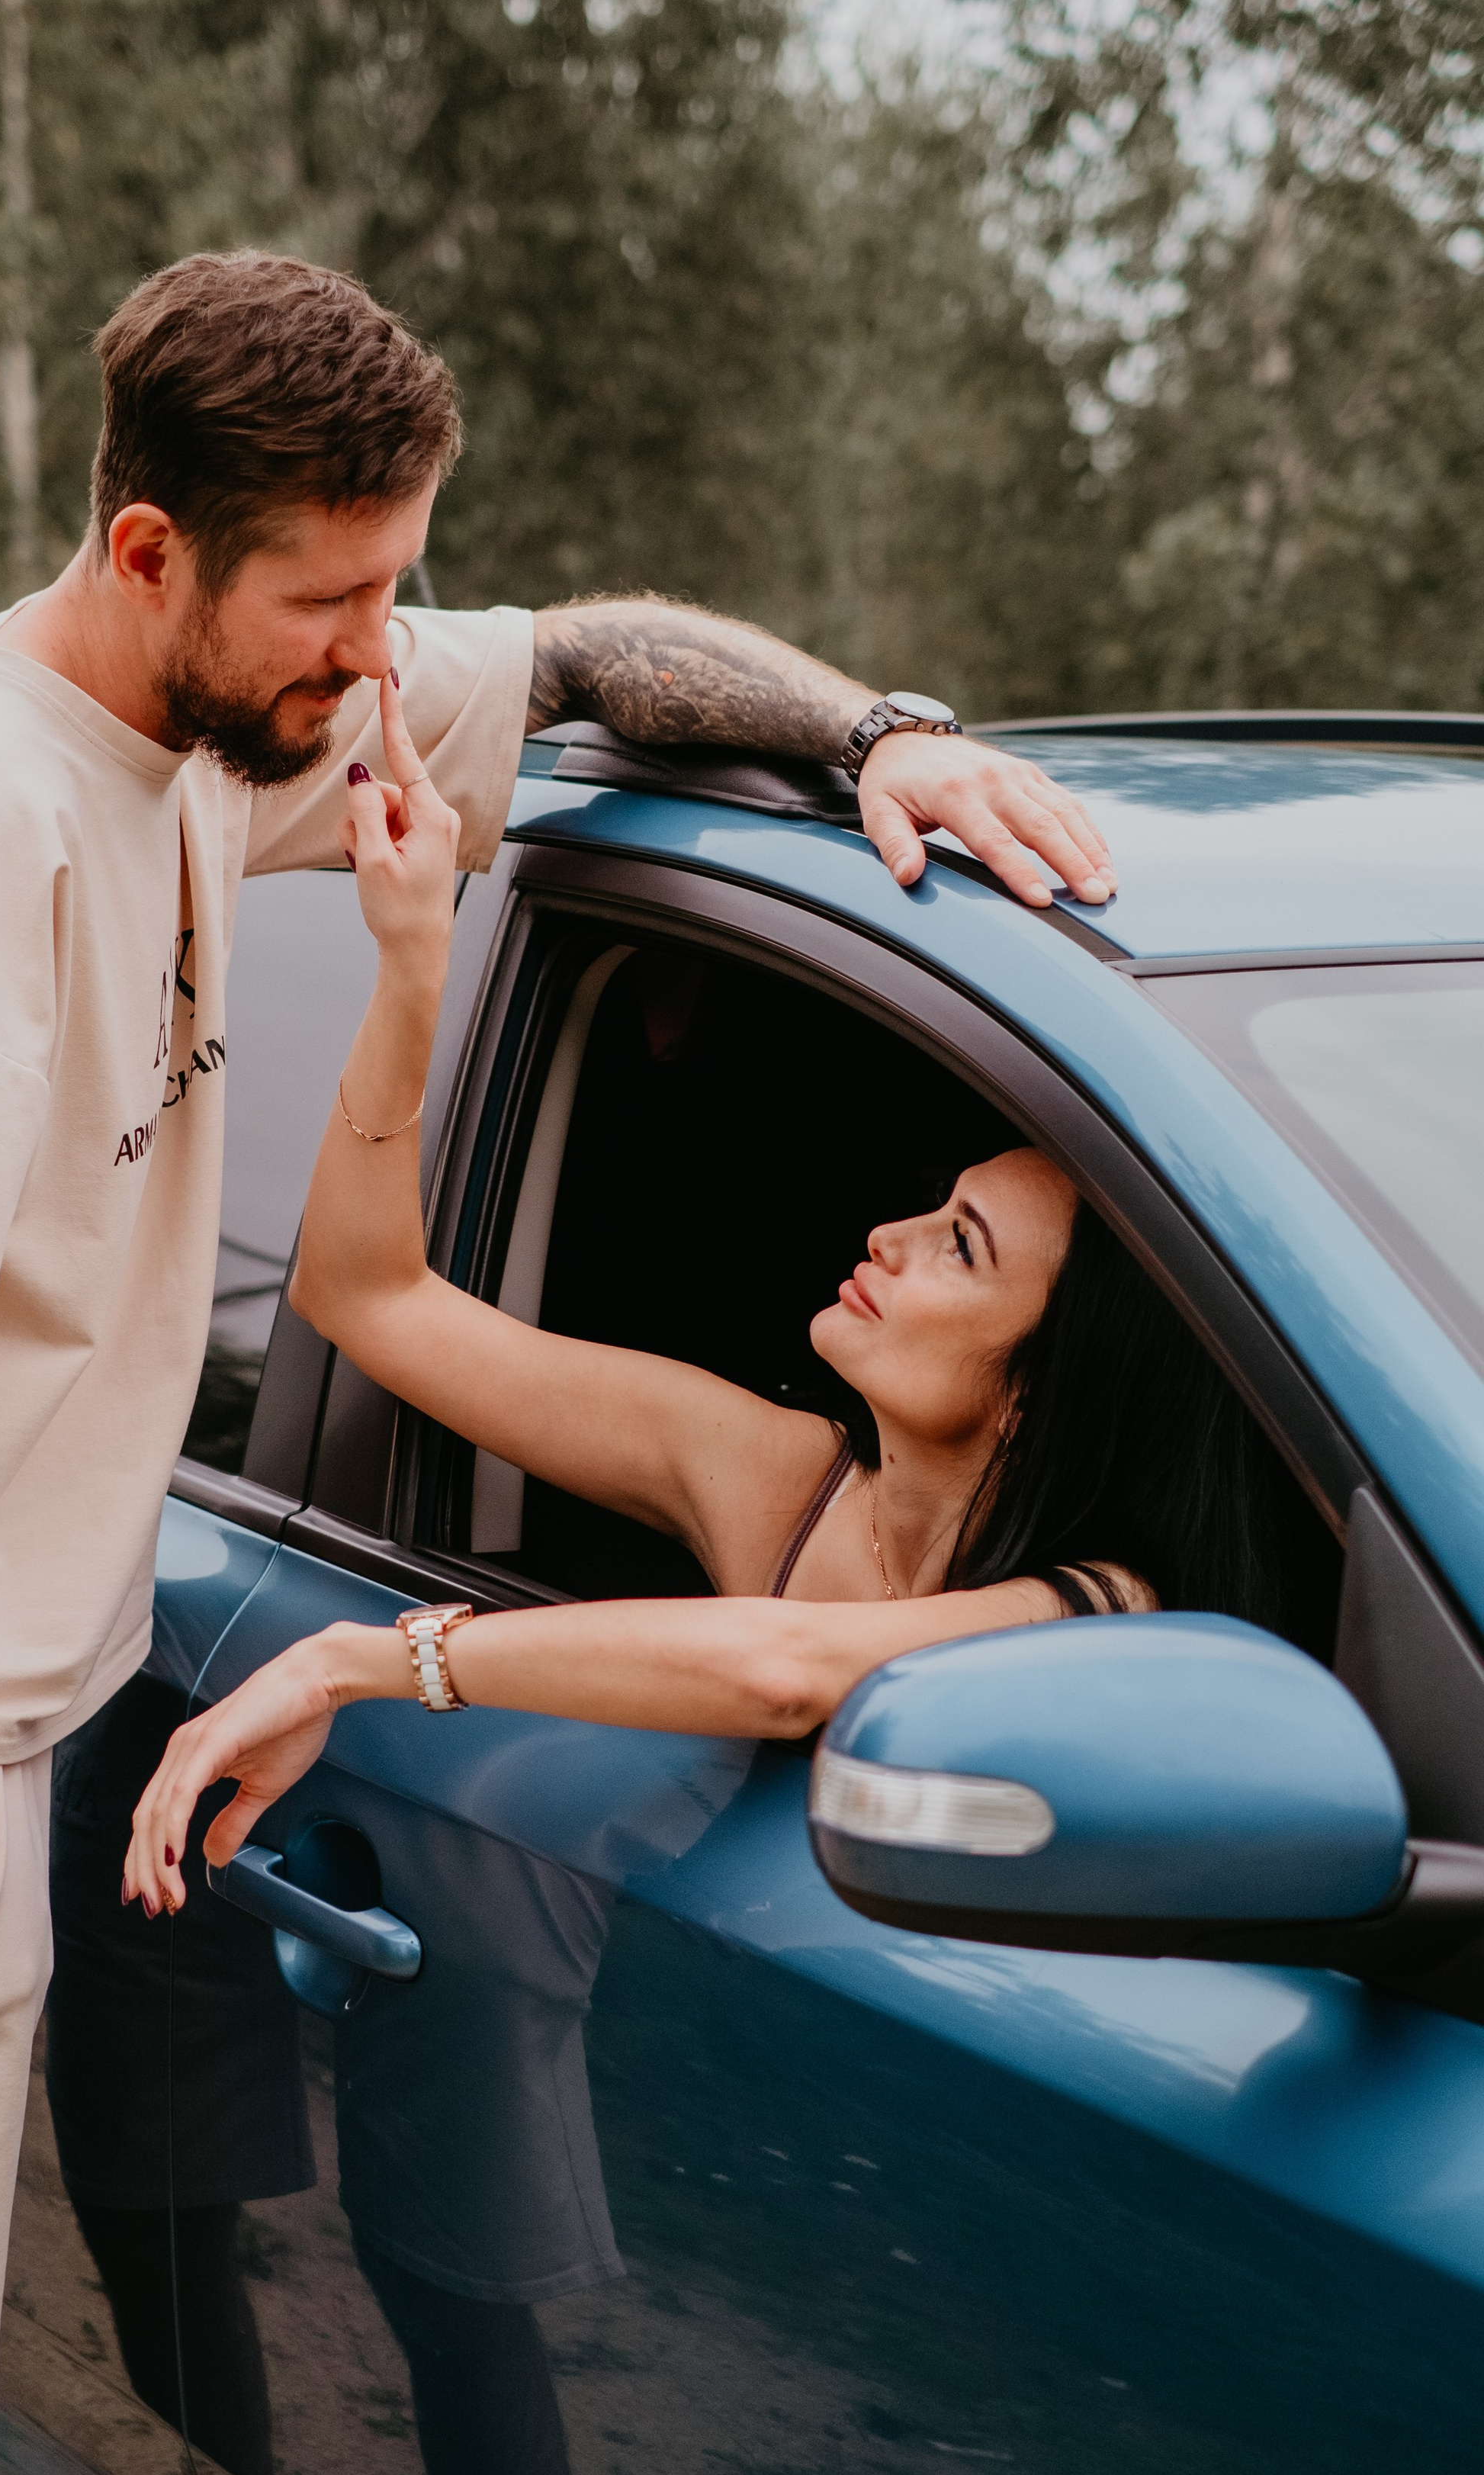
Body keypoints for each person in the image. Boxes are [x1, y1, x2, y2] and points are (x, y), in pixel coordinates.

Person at [0, 244, 1113, 2475]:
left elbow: (604, 656)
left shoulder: (230, 723)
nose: (377, 659)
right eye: (332, 607)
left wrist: (887, 737)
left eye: (397, 586)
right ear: (147, 558)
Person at [122, 683, 1295, 1906]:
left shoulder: (1099, 1609)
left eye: (961, 1248)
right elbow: (369, 1300)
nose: (890, 1236)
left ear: (1036, 1396)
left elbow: (788, 1671)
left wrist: (359, 1660)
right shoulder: (776, 1473)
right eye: (936, 1208)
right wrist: (414, 961)